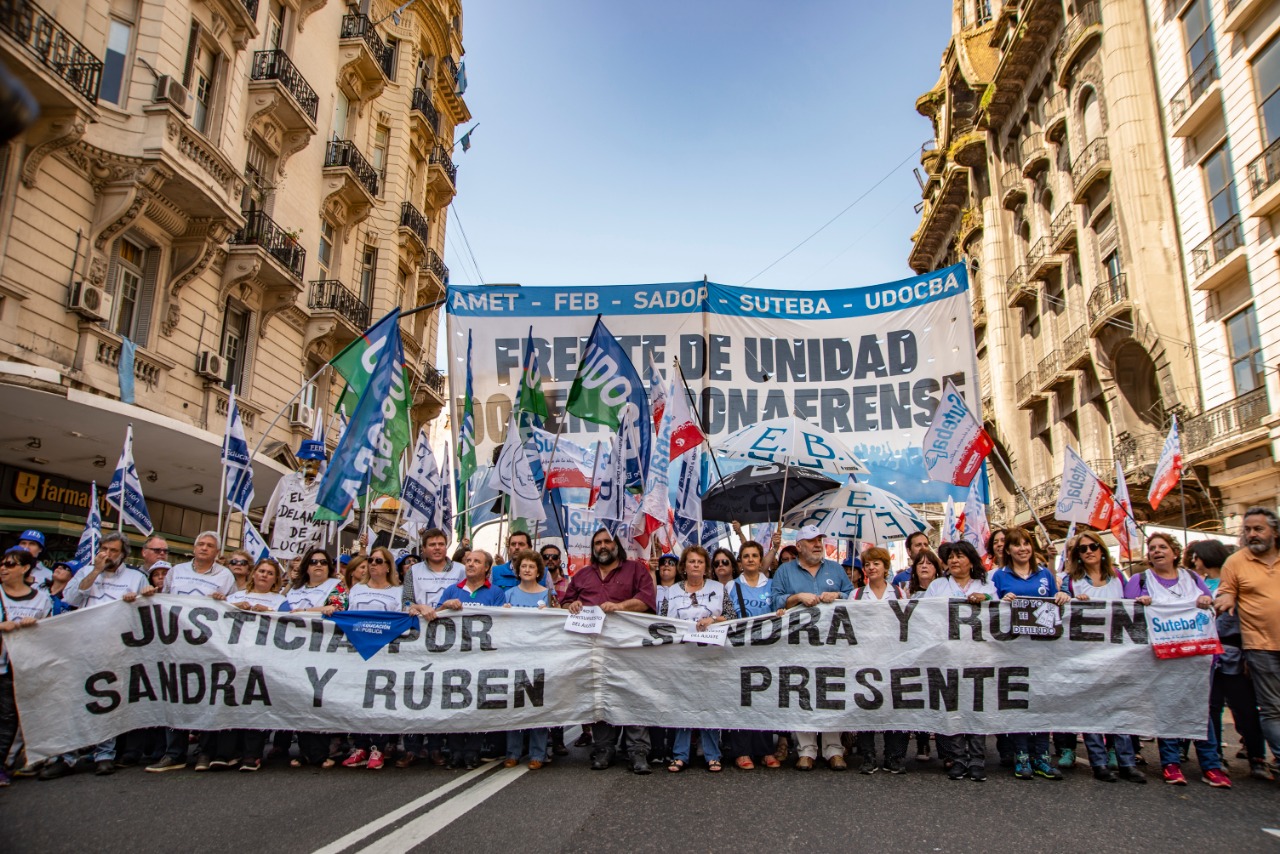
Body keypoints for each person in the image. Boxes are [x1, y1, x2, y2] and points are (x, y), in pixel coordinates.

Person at [1128, 532, 1229, 788]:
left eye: (1163, 547)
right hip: (1159, 658)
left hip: (1195, 657)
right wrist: (1139, 604)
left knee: (1200, 710)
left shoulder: (1193, 578)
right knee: (1167, 709)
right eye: (1152, 548)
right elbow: (1123, 614)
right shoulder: (1140, 580)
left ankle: (1211, 765)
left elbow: (1213, 605)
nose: (1157, 551)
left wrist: (1207, 600)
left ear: (1175, 552)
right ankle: (1170, 763)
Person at [49, 534, 153, 778]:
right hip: (83, 647)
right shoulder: (87, 571)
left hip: (115, 649)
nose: (107, 554)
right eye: (104, 549)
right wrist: (95, 571)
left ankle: (105, 753)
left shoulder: (136, 578)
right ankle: (68, 756)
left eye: (113, 550)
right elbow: (71, 598)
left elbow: (145, 613)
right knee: (75, 702)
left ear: (123, 554)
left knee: (108, 701)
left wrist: (141, 598)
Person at [562, 528, 657, 774]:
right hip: (594, 650)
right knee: (601, 696)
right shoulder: (582, 575)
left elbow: (647, 600)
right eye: (598, 543)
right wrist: (570, 605)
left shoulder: (636, 570)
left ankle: (637, 751)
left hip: (629, 648)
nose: (603, 546)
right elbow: (564, 603)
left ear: (616, 545)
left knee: (633, 695)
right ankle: (604, 748)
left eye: (607, 541)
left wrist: (620, 606)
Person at [146, 531, 237, 774]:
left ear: (217, 552)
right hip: (177, 645)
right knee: (176, 697)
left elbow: (232, 606)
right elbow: (164, 600)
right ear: (194, 547)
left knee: (206, 698)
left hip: (208, 646)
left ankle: (205, 751)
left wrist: (222, 599)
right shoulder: (176, 572)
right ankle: (174, 752)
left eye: (210, 546)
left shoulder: (225, 575)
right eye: (201, 544)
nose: (204, 548)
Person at [1061, 530, 1147, 783]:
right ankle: (1098, 762)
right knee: (1091, 711)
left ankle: (1127, 762)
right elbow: (1062, 609)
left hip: (1117, 654)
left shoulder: (1118, 577)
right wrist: (1070, 599)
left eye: (1093, 547)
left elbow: (1133, 608)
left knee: (1120, 709)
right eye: (1083, 549)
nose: (1088, 552)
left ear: (1102, 550)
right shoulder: (1071, 580)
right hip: (1086, 654)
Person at [771, 525, 853, 770]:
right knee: (802, 693)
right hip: (799, 644)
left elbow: (854, 596)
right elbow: (774, 600)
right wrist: (797, 597)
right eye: (811, 540)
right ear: (799, 546)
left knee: (832, 691)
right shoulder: (785, 571)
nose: (817, 544)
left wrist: (837, 595)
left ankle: (833, 749)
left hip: (832, 644)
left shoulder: (835, 569)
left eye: (819, 539)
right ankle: (806, 749)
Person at [1187, 539, 1270, 781]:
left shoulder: (1234, 584)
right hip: (1205, 655)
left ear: (1207, 556)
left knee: (1244, 708)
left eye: (1196, 557)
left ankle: (1257, 757)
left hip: (1234, 652)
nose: (1193, 561)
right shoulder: (1195, 584)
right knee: (1210, 708)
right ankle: (1215, 756)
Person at [991, 527, 1069, 781]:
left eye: (1026, 543)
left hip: (1043, 650)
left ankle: (1042, 757)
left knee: (1041, 701)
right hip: (1013, 650)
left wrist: (1061, 595)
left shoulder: (1045, 573)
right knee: (1018, 702)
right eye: (1016, 544)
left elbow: (1058, 602)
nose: (1022, 548)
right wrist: (1002, 602)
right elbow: (989, 608)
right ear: (1009, 550)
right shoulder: (999, 576)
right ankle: (1021, 755)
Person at [421, 549, 506, 769]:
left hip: (481, 658)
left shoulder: (496, 592)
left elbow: (502, 623)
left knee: (476, 705)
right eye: (468, 561)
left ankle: (472, 752)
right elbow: (433, 617)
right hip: (454, 658)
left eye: (476, 561)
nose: (470, 564)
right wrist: (444, 606)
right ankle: (456, 751)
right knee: (455, 704)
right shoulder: (452, 590)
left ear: (487, 567)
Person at [1218, 507, 1280, 775]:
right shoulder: (1235, 562)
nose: (1251, 534)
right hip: (1261, 647)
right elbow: (1226, 591)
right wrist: (1226, 599)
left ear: (1274, 532)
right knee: (1272, 709)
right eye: (1247, 530)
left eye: (1258, 529)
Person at [927, 541, 995, 781]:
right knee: (953, 709)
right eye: (951, 557)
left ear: (971, 560)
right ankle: (958, 758)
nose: (955, 561)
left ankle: (977, 759)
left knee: (976, 709)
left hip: (978, 657)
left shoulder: (986, 585)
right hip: (949, 657)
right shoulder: (937, 586)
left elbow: (1000, 610)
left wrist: (986, 598)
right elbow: (926, 616)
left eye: (960, 556)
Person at [398, 528, 465, 768]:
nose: (437, 548)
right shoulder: (414, 571)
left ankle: (436, 747)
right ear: (424, 548)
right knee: (415, 690)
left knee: (440, 691)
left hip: (450, 638)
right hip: (419, 638)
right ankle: (412, 748)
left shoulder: (460, 570)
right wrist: (418, 606)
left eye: (440, 544)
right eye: (432, 544)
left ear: (446, 546)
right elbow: (405, 601)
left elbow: (466, 599)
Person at [661, 545, 728, 773]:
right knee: (683, 702)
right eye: (691, 561)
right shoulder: (672, 592)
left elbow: (733, 616)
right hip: (682, 656)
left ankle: (712, 754)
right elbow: (662, 621)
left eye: (700, 562)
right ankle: (680, 755)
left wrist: (714, 620)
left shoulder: (718, 588)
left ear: (706, 567)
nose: (696, 565)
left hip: (711, 654)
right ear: (684, 566)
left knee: (708, 702)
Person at [280, 547, 347, 769]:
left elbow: (337, 608)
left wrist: (302, 612)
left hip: (323, 651)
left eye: (323, 562)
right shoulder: (294, 590)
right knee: (300, 700)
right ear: (306, 567)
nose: (318, 565)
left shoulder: (335, 587)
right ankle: (305, 751)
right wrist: (316, 610)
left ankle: (320, 752)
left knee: (319, 699)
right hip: (295, 651)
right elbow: (281, 612)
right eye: (314, 562)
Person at [222, 559, 287, 771]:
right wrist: (231, 606)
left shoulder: (280, 601)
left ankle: (252, 753)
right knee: (232, 703)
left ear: (275, 579)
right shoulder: (235, 597)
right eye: (261, 571)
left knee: (256, 704)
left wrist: (270, 612)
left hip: (263, 659)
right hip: (234, 657)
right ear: (254, 574)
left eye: (270, 573)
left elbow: (290, 623)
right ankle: (229, 752)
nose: (264, 575)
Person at [341, 547, 402, 771]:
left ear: (388, 566)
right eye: (370, 560)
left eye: (378, 560)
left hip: (384, 653)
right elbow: (347, 615)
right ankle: (360, 747)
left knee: (379, 701)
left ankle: (378, 747)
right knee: (359, 700)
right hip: (358, 651)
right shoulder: (357, 589)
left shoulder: (398, 591)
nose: (373, 564)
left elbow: (401, 619)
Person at [849, 546, 908, 774]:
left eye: (876, 563)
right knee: (867, 705)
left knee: (895, 706)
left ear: (885, 567)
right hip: (866, 656)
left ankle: (894, 756)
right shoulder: (856, 595)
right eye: (867, 564)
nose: (871, 568)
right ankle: (868, 755)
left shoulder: (900, 593)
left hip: (895, 656)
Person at [722, 540, 778, 770]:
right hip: (739, 650)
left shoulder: (772, 585)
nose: (751, 559)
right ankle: (742, 751)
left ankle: (765, 750)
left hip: (766, 650)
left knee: (763, 700)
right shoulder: (730, 587)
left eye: (755, 555)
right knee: (741, 700)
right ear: (740, 561)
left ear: (761, 558)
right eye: (746, 556)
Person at [0, 548, 52, 786]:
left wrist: (37, 625)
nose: (4, 568)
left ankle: (3, 765)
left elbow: (50, 631)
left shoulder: (41, 599)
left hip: (18, 668)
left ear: (25, 569)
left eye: (10, 564)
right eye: (2, 564)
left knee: (8, 718)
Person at [502, 550, 556, 770]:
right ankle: (513, 752)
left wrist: (549, 613)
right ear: (518, 570)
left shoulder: (546, 595)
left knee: (537, 705)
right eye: (523, 566)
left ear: (538, 571)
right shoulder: (509, 595)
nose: (526, 570)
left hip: (538, 655)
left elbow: (554, 626)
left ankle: (537, 753)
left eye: (531, 567)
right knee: (515, 704)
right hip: (515, 656)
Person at [907, 548, 944, 762]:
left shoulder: (944, 590)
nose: (924, 566)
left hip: (939, 649)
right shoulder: (905, 591)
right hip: (916, 650)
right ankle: (922, 742)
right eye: (919, 563)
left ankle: (944, 744)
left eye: (929, 563)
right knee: (919, 695)